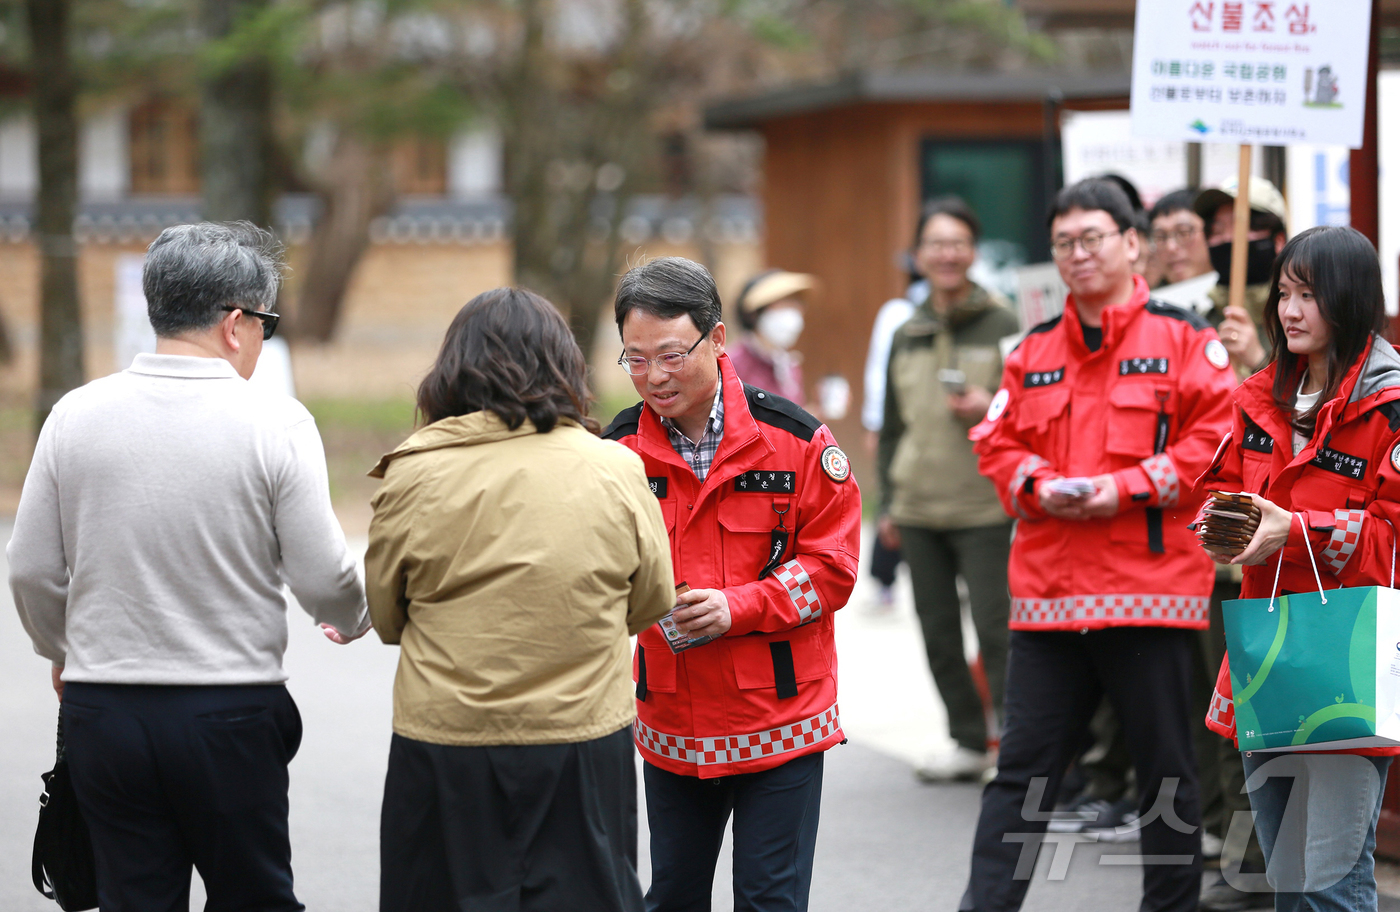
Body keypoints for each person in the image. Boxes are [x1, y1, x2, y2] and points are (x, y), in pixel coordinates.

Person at [9, 221, 369, 912]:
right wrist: (351, 616)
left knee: (135, 901)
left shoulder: (74, 416)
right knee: (254, 897)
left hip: (104, 711)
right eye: (267, 323)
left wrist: (63, 648)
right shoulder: (276, 422)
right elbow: (323, 577)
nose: (265, 340)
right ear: (236, 323)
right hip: (227, 711)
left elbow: (28, 568)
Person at [961, 179, 1235, 912]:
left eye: (1092, 239)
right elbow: (995, 438)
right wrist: (1033, 479)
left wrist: (1128, 486)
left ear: (1131, 243)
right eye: (1063, 244)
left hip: (1149, 597)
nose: (1077, 255)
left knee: (1165, 776)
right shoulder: (1032, 351)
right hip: (1048, 602)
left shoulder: (1185, 340)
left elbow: (1215, 445)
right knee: (1023, 775)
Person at [364, 288, 675, 912]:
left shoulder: (415, 471)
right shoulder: (613, 468)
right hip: (582, 738)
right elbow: (651, 601)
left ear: (451, 369)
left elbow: (387, 616)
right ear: (565, 365)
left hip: (446, 739)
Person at [603, 256, 861, 912]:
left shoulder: (797, 441)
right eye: (635, 359)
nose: (653, 377)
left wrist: (737, 606)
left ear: (717, 341)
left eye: (670, 354)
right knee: (674, 899)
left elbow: (833, 569)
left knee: (768, 900)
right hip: (672, 720)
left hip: (782, 721)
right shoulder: (614, 453)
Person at [1200, 225, 1400, 912]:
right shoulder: (1259, 396)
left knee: (1333, 878)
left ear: (1350, 300)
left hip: (1351, 661)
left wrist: (1300, 531)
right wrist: (1222, 527)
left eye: (1308, 295)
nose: (1289, 310)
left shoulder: (1391, 407)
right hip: (1270, 657)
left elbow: (1394, 538)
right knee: (1288, 876)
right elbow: (1222, 489)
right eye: (1284, 293)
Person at [876, 196, 1020, 781]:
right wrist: (888, 500)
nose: (947, 254)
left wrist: (992, 407)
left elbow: (1031, 408)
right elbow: (891, 427)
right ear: (918, 255)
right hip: (916, 508)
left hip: (985, 504)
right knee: (937, 633)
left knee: (996, 630)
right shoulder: (906, 331)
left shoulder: (1005, 321)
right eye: (936, 243)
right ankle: (965, 739)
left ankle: (1012, 744)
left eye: (958, 242)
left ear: (973, 252)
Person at [860, 279, 918, 611]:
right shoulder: (896, 314)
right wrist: (874, 422)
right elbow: (879, 371)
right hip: (895, 422)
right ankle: (884, 578)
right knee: (893, 495)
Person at [1197, 176, 1289, 380]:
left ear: (1278, 240)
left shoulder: (1298, 320)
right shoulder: (1202, 324)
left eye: (1240, 227)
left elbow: (1312, 405)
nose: (1228, 239)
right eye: (1217, 230)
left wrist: (1258, 362)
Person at [726, 269, 815, 406]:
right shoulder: (733, 364)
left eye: (795, 306)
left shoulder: (789, 366)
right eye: (783, 305)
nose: (791, 315)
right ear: (757, 313)